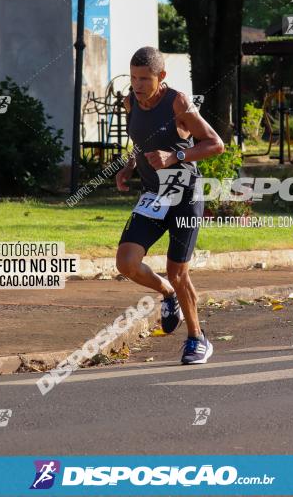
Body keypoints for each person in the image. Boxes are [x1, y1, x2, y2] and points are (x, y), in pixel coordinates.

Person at [115, 46, 225, 364]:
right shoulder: (130, 101)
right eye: (133, 77)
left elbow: (215, 144)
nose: (137, 85)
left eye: (144, 79)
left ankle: (197, 338)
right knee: (126, 263)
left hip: (184, 197)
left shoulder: (177, 102)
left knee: (178, 271)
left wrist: (174, 156)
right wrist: (129, 167)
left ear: (161, 76)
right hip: (153, 195)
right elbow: (140, 143)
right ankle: (167, 294)